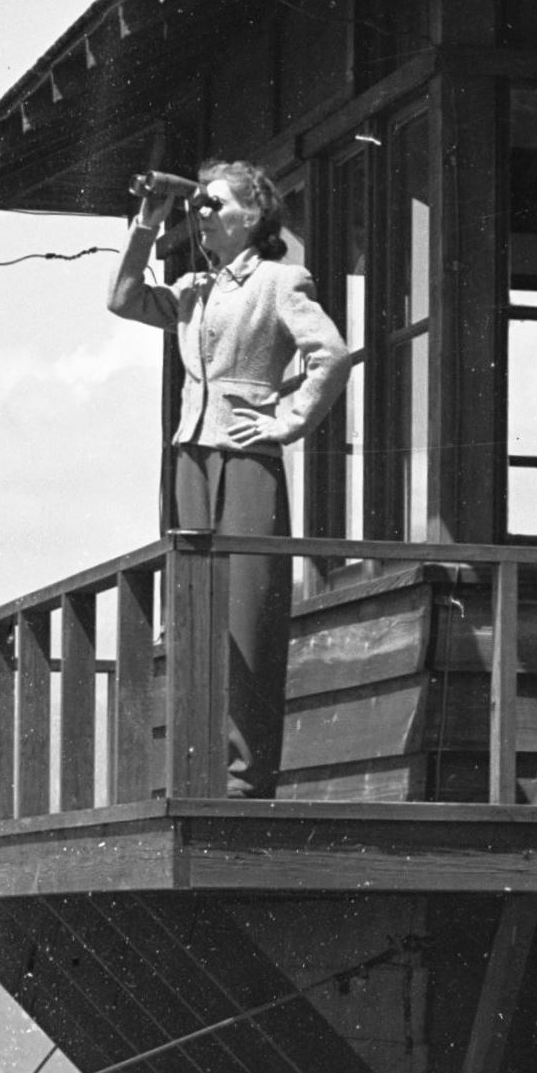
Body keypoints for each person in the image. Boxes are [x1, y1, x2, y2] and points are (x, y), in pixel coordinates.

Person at [110, 159, 354, 797]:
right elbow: (123, 298)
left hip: (246, 461)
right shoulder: (196, 288)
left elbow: (330, 354)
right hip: (191, 456)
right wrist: (146, 225)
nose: (203, 214)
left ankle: (245, 781)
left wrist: (287, 421)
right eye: (200, 206)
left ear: (254, 215)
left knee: (248, 619)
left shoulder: (278, 281)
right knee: (192, 616)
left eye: (214, 204)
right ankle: (197, 772)